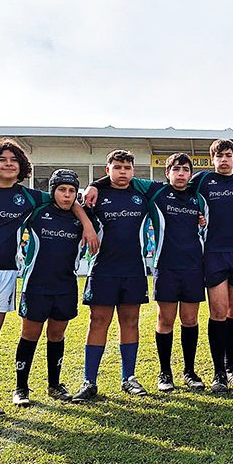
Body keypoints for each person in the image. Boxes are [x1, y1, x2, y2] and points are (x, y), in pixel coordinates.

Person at [0, 138, 98, 430]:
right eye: (2, 160)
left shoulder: (29, 197)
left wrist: (86, 223)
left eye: (14, 160)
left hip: (7, 274)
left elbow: (69, 199)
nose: (9, 164)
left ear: (21, 166)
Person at [72, 150, 154, 402]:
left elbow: (177, 185)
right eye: (117, 167)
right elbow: (69, 203)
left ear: (133, 171)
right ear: (108, 170)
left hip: (134, 269)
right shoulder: (96, 196)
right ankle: (89, 381)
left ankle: (128, 378)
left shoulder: (143, 194)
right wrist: (87, 221)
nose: (122, 172)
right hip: (103, 268)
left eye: (127, 168)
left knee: (130, 322)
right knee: (98, 322)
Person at [12, 169, 84, 406]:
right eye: (62, 190)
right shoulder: (37, 211)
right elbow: (15, 195)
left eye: (71, 191)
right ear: (52, 191)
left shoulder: (81, 217)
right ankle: (21, 388)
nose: (67, 195)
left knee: (56, 335)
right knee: (29, 335)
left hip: (65, 286)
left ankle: (54, 385)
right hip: (36, 285)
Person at [190, 139, 233, 392]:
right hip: (214, 254)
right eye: (220, 156)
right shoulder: (203, 180)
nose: (224, 160)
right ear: (212, 159)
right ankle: (218, 373)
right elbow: (176, 189)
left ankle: (230, 368)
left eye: (228, 155)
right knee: (218, 312)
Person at [145, 153, 208, 392]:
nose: (180, 174)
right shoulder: (156, 193)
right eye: (176, 169)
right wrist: (94, 186)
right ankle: (165, 374)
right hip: (166, 266)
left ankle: (190, 372)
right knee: (165, 320)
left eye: (185, 170)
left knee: (190, 320)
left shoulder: (198, 199)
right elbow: (123, 179)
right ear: (167, 173)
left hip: (193, 267)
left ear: (190, 175)